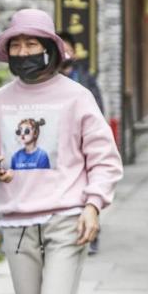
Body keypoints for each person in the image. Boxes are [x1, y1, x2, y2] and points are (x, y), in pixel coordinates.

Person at [0, 8, 123, 294]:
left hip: (66, 220)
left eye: (31, 44)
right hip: (16, 224)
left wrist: (93, 205)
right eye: (16, 45)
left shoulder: (77, 97)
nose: (23, 51)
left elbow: (104, 158)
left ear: (49, 48)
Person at [59, 31, 105, 254]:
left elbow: (99, 110)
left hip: (84, 145)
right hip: (61, 149)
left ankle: (92, 232)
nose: (64, 53)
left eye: (67, 48)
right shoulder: (48, 81)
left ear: (75, 52)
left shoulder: (85, 78)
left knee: (90, 190)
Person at [57, 31, 104, 113]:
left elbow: (97, 105)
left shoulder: (86, 76)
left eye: (67, 51)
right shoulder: (49, 77)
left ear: (74, 53)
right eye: (60, 52)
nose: (64, 56)